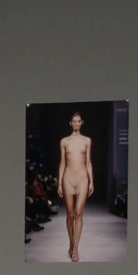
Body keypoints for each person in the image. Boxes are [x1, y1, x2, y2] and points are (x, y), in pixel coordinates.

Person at [57, 112, 93, 262]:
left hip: (83, 178)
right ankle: (71, 242)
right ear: (70, 123)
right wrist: (59, 182)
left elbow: (88, 162)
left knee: (79, 213)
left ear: (82, 122)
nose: (77, 124)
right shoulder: (64, 141)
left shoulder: (87, 140)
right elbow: (63, 163)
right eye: (74, 121)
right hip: (68, 179)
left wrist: (92, 181)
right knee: (70, 214)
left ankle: (76, 247)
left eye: (79, 121)